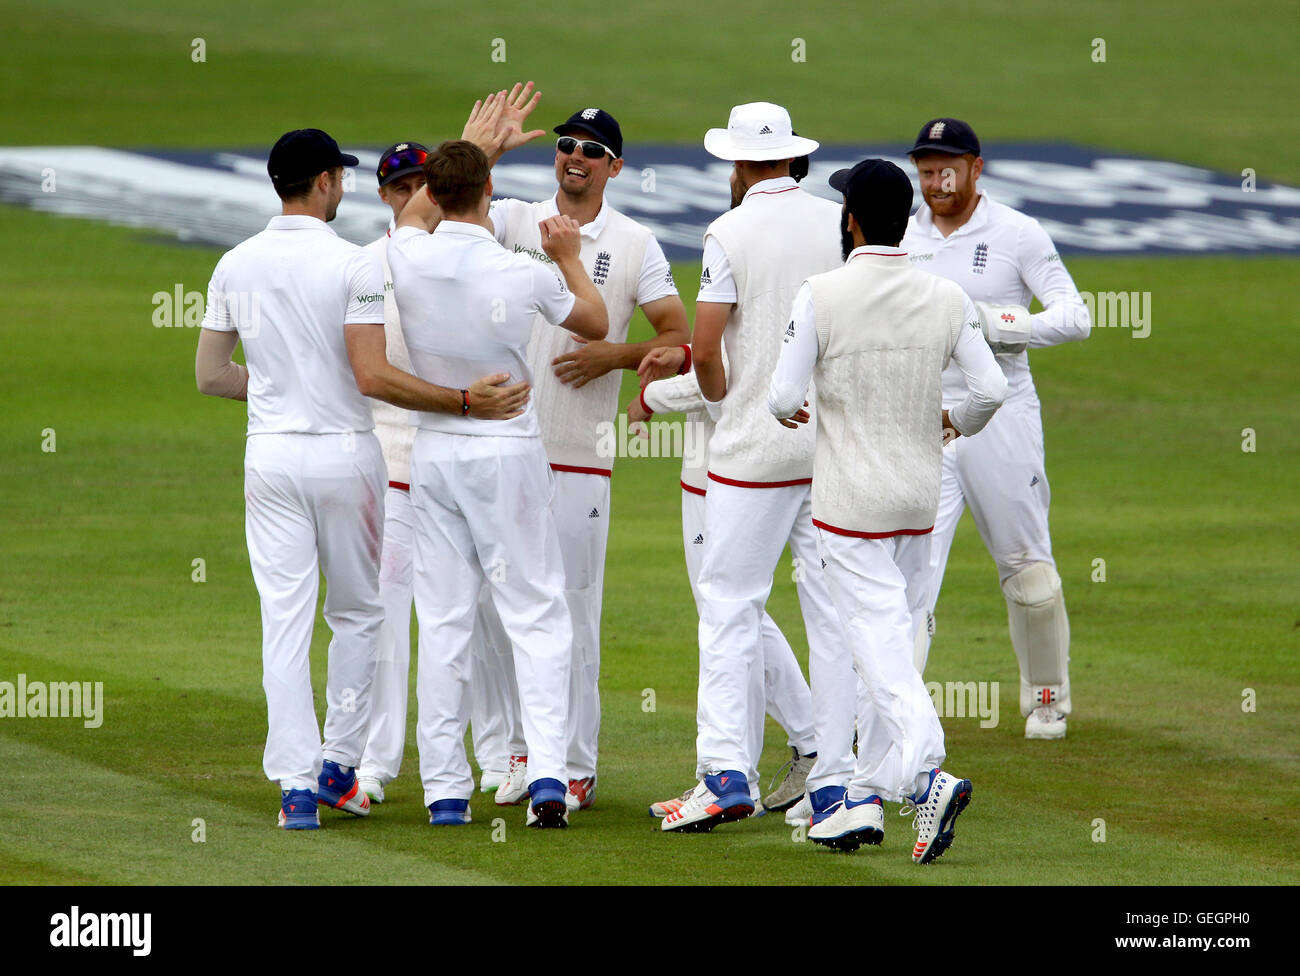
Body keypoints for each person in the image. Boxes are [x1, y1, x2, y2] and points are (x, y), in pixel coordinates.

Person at [195, 126, 528, 830]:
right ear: (323, 181)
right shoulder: (355, 264)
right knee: (356, 615)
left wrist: (276, 388)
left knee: (283, 623)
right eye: (338, 176)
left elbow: (209, 376)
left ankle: (295, 787)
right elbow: (372, 375)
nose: (343, 185)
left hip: (271, 458)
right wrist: (465, 402)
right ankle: (339, 767)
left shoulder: (233, 263)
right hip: (347, 453)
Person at [768, 158, 1008, 861]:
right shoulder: (944, 295)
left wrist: (804, 408)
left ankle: (927, 771)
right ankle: (857, 792)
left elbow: (782, 398)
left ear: (851, 220)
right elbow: (990, 390)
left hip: (849, 506)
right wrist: (954, 420)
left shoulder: (821, 292)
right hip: (916, 499)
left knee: (873, 640)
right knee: (879, 635)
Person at [388, 127, 609, 828]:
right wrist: (569, 258)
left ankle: (446, 791)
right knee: (538, 614)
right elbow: (597, 323)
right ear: (488, 194)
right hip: (507, 450)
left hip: (436, 451)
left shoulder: (407, 253)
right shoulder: (526, 271)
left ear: (431, 191)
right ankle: (548, 777)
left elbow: (412, 216)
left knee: (446, 619)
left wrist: (473, 150)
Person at [473, 107, 690, 813]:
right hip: (500, 449)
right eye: (567, 145)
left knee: (570, 611)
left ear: (614, 167)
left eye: (592, 150)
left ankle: (572, 764)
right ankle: (516, 753)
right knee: (493, 607)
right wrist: (483, 152)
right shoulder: (510, 220)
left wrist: (616, 356)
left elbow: (679, 337)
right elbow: (436, 223)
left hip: (578, 456)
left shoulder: (634, 243)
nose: (575, 156)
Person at [659, 102, 851, 834]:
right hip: (825, 447)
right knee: (830, 615)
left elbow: (706, 350)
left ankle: (723, 775)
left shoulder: (728, 231)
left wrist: (723, 401)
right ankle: (835, 780)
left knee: (729, 605)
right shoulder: (835, 222)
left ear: (737, 164)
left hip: (749, 453)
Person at [901, 118, 1091, 739]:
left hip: (1000, 415)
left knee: (1028, 571)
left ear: (976, 167)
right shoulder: (902, 235)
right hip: (924, 418)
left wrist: (1005, 326)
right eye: (926, 170)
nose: (935, 182)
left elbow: (1074, 317)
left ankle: (1047, 697)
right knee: (910, 574)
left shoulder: (1016, 233)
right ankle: (895, 712)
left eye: (946, 169)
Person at [631, 344, 819, 820]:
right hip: (745, 465)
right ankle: (756, 772)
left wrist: (653, 396)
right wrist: (687, 352)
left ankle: (791, 753)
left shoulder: (752, 268)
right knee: (736, 615)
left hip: (728, 471)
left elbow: (727, 371)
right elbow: (731, 348)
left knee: (732, 613)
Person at [354, 141, 428, 806]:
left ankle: (497, 756)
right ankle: (375, 762)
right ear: (384, 195)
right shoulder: (366, 266)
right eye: (400, 186)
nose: (411, 194)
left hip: (460, 462)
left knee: (480, 614)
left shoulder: (466, 257)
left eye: (421, 183)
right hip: (389, 463)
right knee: (387, 613)